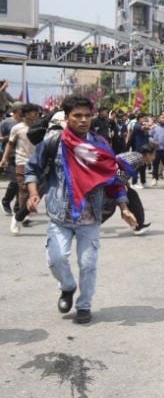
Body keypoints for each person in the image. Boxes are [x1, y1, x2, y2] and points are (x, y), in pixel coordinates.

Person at [24, 95, 137, 324]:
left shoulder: (100, 145)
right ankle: (67, 287)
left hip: (90, 217)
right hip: (59, 215)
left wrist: (124, 207)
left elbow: (114, 178)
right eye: (77, 116)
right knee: (56, 259)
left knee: (88, 265)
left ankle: (84, 305)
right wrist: (33, 193)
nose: (83, 120)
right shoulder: (53, 143)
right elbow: (32, 168)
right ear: (67, 118)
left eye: (87, 115)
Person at [1, 103, 40, 234]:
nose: (36, 114)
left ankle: (21, 211)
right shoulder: (17, 128)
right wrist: (4, 158)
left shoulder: (39, 127)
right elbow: (10, 144)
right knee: (23, 188)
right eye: (34, 112)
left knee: (33, 190)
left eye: (37, 112)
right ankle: (19, 215)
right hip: (21, 162)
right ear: (26, 114)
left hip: (37, 163)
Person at [106, 144, 155, 235]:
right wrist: (123, 182)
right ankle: (137, 225)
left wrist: (124, 182)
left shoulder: (137, 156)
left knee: (131, 196)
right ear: (148, 154)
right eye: (153, 155)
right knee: (110, 207)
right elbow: (118, 167)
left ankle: (138, 225)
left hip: (113, 176)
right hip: (111, 178)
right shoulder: (139, 159)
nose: (154, 158)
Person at [0, 101, 23, 215]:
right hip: (11, 155)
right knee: (15, 181)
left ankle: (18, 208)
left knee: (22, 182)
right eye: (22, 109)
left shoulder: (25, 122)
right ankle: (6, 201)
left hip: (23, 155)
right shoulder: (6, 123)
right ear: (16, 110)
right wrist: (9, 138)